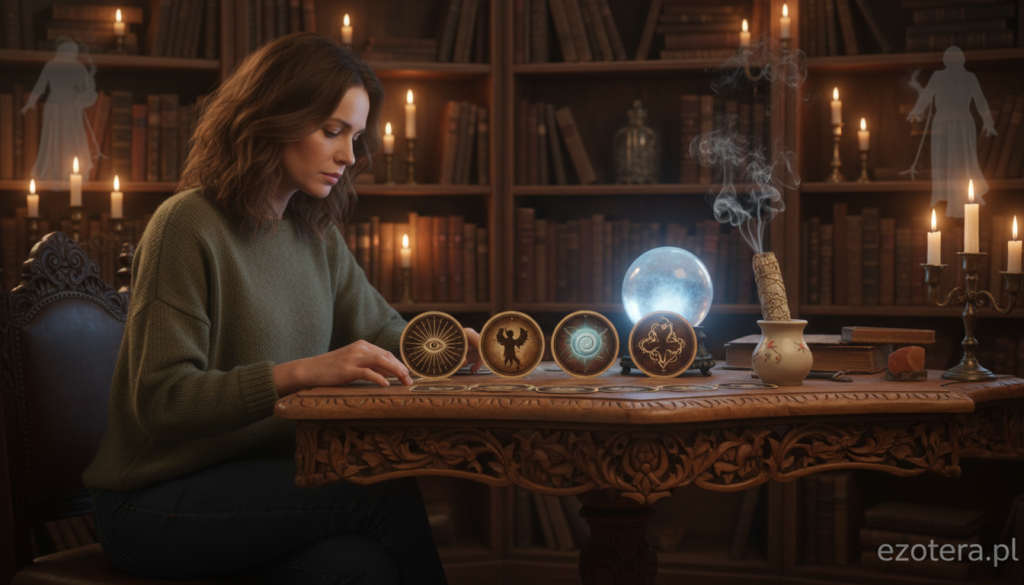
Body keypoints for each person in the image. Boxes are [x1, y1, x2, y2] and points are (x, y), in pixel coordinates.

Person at [83, 32, 481, 585]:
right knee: (379, 490)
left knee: (359, 568)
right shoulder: (186, 225)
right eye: (331, 131)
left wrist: (450, 347)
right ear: (272, 117)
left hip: (254, 491)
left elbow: (382, 330)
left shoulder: (313, 233)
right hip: (151, 502)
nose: (348, 155)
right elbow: (161, 400)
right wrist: (301, 374)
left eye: (356, 136)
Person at [906, 46, 997, 218]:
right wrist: (916, 111)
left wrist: (988, 122)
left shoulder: (964, 77)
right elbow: (926, 96)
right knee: (945, 161)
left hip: (958, 122)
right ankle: (947, 198)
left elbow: (980, 101)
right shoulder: (944, 76)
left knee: (962, 161)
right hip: (947, 123)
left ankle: (961, 199)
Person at [22, 39, 98, 180]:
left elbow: (85, 88)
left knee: (70, 136)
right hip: (61, 103)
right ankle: (55, 172)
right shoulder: (57, 65)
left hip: (64, 103)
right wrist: (30, 102)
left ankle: (69, 173)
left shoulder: (74, 66)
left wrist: (90, 77)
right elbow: (40, 86)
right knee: (56, 135)